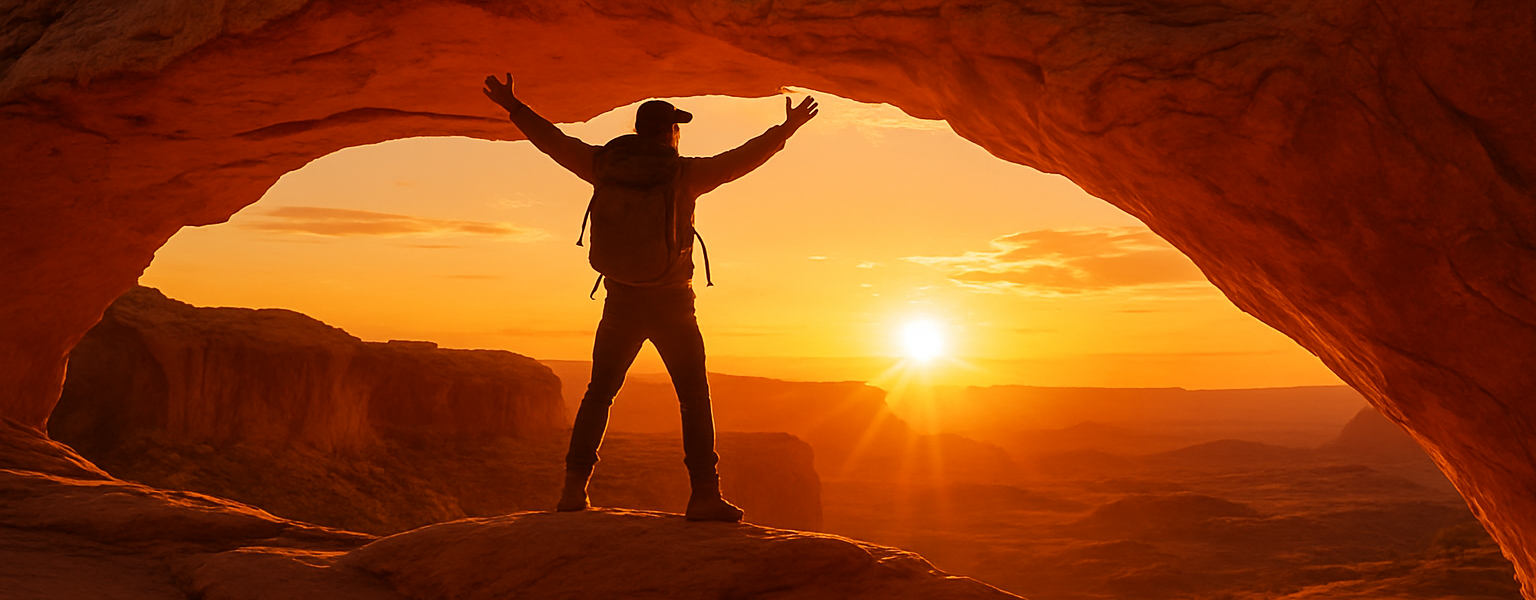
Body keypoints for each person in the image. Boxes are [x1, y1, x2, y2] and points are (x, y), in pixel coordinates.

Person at [482, 73, 818, 522]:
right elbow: (743, 159)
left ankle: (572, 491)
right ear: (669, 132)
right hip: (673, 304)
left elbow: (551, 140)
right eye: (677, 127)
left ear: (640, 130)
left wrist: (513, 105)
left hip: (620, 300)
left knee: (599, 394)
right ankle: (703, 496)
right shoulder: (685, 173)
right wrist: (786, 129)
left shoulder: (601, 164)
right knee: (693, 397)